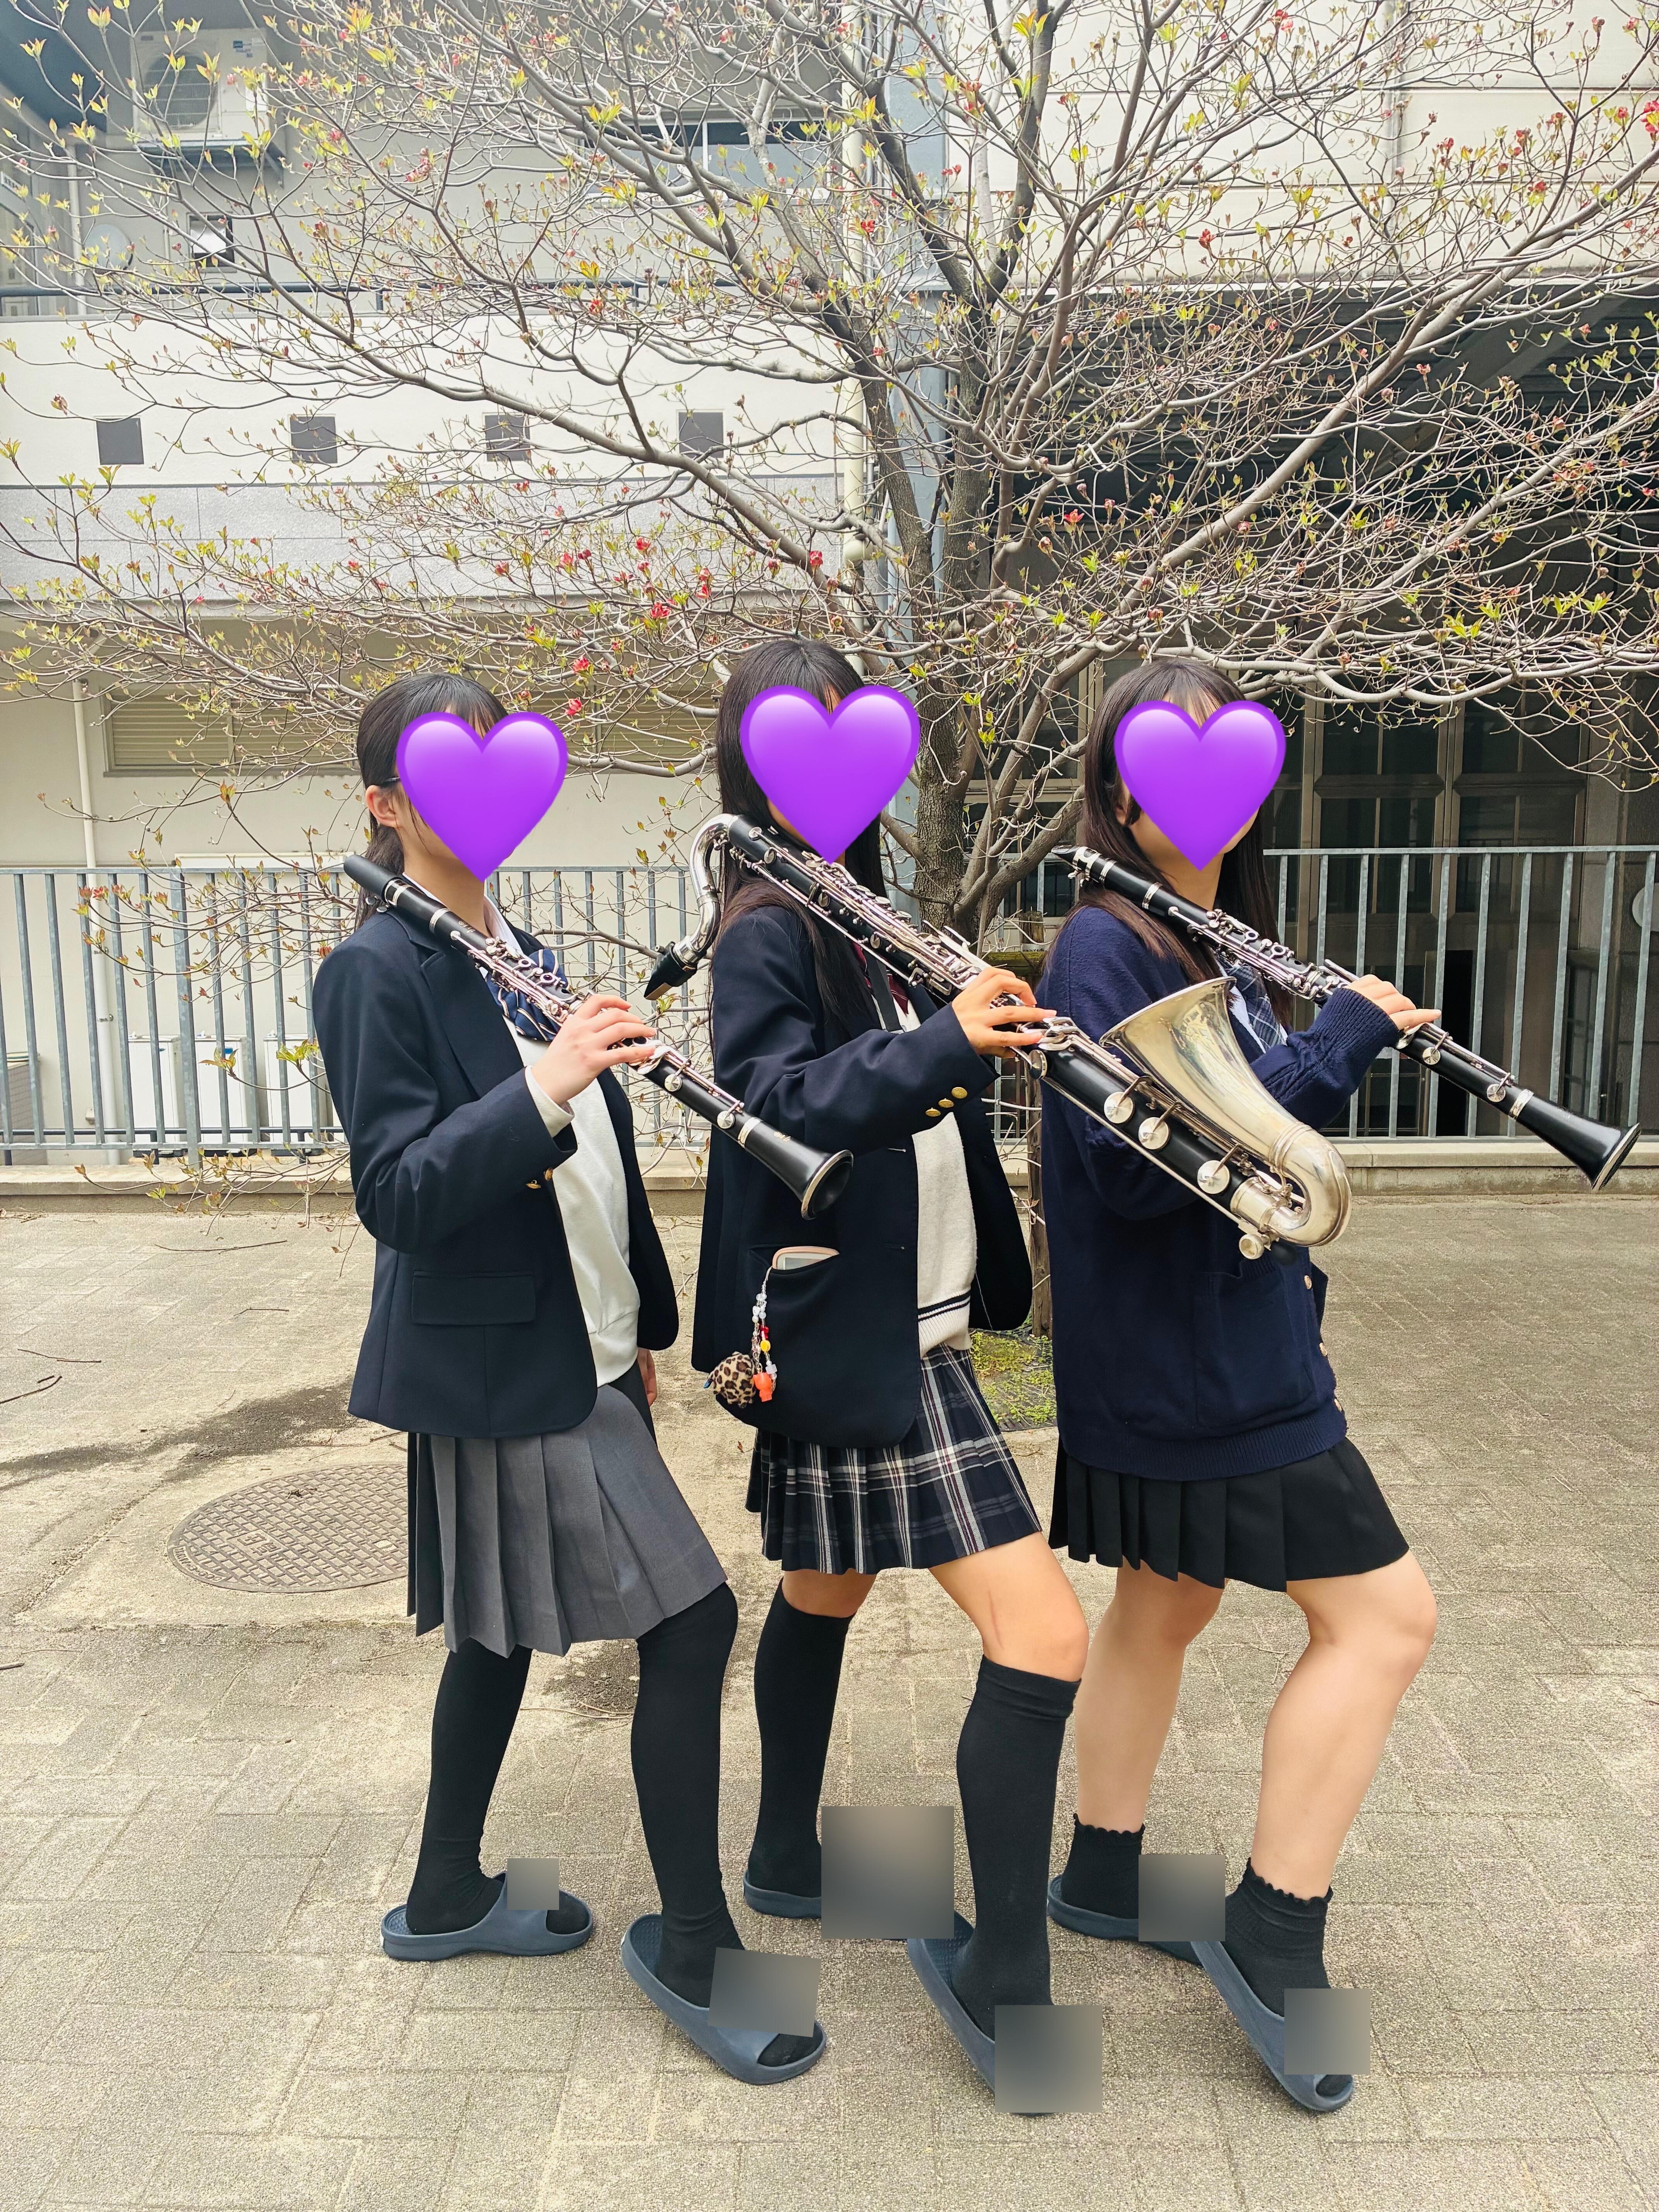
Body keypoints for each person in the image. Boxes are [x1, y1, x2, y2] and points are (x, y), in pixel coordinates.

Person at [312, 670, 823, 2083]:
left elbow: (582, 1174)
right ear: (385, 804)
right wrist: (545, 1080)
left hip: (577, 1342)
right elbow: (400, 1192)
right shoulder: (376, 969)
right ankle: (695, 1948)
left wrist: (633, 1320)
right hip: (499, 1363)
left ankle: (444, 1895)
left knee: (493, 1633)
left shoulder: (511, 946)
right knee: (693, 1623)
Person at [691, 635, 1091, 2092]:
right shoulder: (765, 925)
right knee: (1044, 1636)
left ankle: (785, 1854)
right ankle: (1006, 1980)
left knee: (825, 1586)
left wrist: (969, 1032)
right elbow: (768, 1096)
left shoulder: (855, 913)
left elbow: (901, 1090)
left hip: (897, 1319)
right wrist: (939, 1044)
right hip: (868, 1330)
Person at [1039, 658, 1439, 2111]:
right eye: (1172, 760)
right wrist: (1338, 1044)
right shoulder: (1104, 948)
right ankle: (1272, 1935)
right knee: (1385, 1620)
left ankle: (1099, 1872)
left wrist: (1319, 1031)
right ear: (1122, 785)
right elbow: (1148, 1166)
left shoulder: (1197, 935)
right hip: (1201, 1367)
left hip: (1186, 1350)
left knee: (1166, 1600)